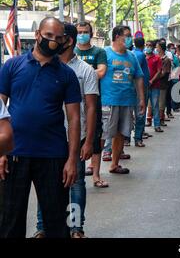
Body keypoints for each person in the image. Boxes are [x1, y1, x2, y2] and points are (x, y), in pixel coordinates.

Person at [0, 17, 81, 238]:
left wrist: (72, 159)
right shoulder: (12, 66)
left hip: (53, 156)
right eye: (48, 36)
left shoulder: (67, 75)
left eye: (58, 38)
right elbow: (0, 108)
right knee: (9, 223)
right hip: (15, 155)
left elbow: (74, 119)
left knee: (56, 224)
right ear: (38, 35)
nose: (53, 42)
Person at [34, 23, 98, 238]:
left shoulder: (85, 70)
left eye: (59, 37)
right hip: (49, 136)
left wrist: (88, 141)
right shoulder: (45, 66)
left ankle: (76, 227)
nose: (54, 41)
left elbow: (90, 107)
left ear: (67, 41)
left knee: (76, 183)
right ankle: (42, 227)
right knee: (46, 182)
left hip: (74, 137)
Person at [101, 25, 145, 175]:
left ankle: (114, 164)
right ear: (116, 37)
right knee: (103, 133)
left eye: (129, 36)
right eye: (126, 36)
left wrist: (141, 99)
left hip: (127, 101)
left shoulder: (132, 56)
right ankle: (93, 167)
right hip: (108, 100)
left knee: (121, 133)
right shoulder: (104, 53)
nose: (129, 39)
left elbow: (138, 77)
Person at [75, 21, 109, 188]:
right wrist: (89, 74)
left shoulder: (99, 52)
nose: (82, 34)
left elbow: (101, 72)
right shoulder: (70, 51)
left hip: (92, 101)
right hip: (72, 102)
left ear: (91, 33)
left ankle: (96, 175)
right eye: (79, 31)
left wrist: (80, 76)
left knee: (94, 137)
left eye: (85, 31)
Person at [133, 37, 151, 147]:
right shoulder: (140, 55)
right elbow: (137, 71)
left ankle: (127, 139)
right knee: (140, 112)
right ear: (143, 45)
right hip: (140, 87)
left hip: (134, 87)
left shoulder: (132, 53)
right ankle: (138, 137)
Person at [147, 42, 164, 133]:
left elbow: (159, 71)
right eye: (146, 45)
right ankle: (142, 129)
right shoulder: (143, 57)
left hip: (155, 86)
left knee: (155, 106)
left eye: (149, 46)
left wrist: (152, 81)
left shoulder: (157, 58)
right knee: (143, 106)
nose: (148, 47)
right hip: (145, 86)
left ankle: (157, 125)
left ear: (153, 48)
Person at [157, 41, 171, 127]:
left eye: (157, 47)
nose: (156, 49)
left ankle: (161, 119)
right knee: (155, 103)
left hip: (162, 84)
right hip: (156, 84)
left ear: (161, 48)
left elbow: (164, 73)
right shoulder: (157, 58)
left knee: (161, 103)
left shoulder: (166, 60)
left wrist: (154, 78)